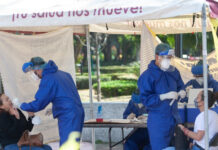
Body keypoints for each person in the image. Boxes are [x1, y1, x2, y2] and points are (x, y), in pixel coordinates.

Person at [19, 57, 85, 146]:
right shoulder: (64, 74)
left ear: (38, 69)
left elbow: (39, 103)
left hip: (68, 115)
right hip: (77, 112)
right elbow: (67, 96)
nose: (36, 75)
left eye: (34, 72)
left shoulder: (48, 79)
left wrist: (22, 105)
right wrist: (55, 108)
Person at [138, 43, 186, 150]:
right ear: (157, 57)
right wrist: (162, 96)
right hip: (158, 121)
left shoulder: (173, 72)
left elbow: (180, 86)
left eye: (170, 58)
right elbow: (146, 100)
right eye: (166, 58)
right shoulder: (147, 76)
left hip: (175, 118)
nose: (168, 61)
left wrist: (182, 92)